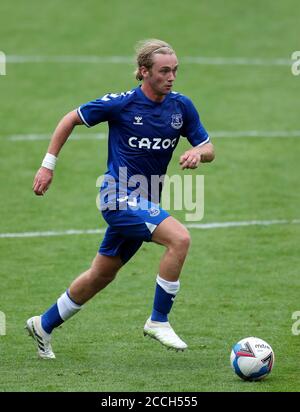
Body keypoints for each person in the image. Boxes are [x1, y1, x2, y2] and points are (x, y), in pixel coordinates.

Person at [26, 39, 215, 359]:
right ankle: (158, 320)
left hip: (144, 202)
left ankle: (43, 324)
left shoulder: (181, 107)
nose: (171, 77)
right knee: (180, 239)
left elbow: (209, 147)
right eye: (164, 71)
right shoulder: (121, 103)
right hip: (117, 196)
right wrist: (48, 166)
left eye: (175, 70)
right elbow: (70, 118)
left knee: (101, 274)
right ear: (143, 72)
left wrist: (198, 152)